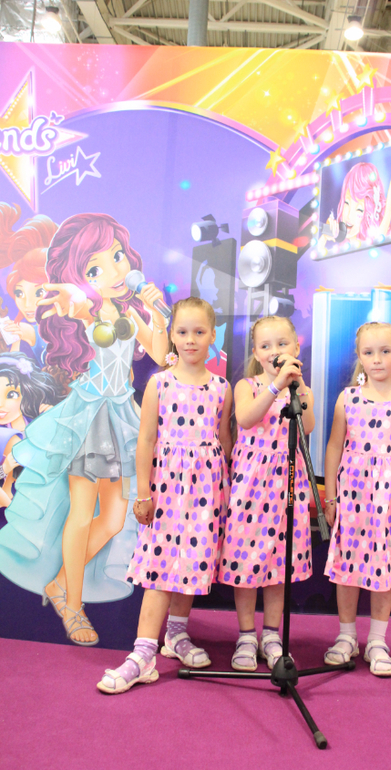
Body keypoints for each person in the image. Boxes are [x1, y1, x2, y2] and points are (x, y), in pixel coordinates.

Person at [0, 213, 168, 646]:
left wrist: (157, 312)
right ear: (80, 275)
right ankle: (72, 605)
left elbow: (160, 352)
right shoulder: (80, 306)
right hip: (89, 418)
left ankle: (59, 583)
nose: (112, 271)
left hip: (121, 417)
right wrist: (75, 295)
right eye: (95, 267)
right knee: (81, 512)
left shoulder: (128, 309)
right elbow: (71, 302)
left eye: (117, 257)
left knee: (112, 519)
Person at [97, 297, 232, 694]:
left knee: (193, 561)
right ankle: (143, 654)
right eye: (183, 332)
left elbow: (224, 440)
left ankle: (176, 633)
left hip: (207, 490)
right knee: (159, 567)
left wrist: (230, 490)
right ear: (172, 335)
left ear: (211, 335)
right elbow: (146, 441)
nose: (190, 339)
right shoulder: (160, 382)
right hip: (168, 489)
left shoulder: (222, 387)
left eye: (199, 332)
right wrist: (143, 493)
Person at [323, 321, 391, 677]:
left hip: (389, 501)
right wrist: (331, 499)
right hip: (353, 498)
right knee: (346, 570)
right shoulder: (348, 398)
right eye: (369, 352)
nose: (377, 359)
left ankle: (377, 641)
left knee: (385, 570)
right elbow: (334, 447)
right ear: (359, 356)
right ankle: (346, 636)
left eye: (385, 351)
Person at [218, 315, 314, 672]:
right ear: (256, 353)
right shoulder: (248, 385)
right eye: (266, 345)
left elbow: (307, 426)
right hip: (252, 484)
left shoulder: (300, 389)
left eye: (282, 344)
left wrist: (297, 386)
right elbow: (246, 418)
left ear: (296, 347)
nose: (275, 351)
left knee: (279, 564)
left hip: (287, 482)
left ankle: (272, 635)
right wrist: (275, 385)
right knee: (245, 560)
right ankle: (246, 635)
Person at [0, 352, 62, 507]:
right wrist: (4, 469)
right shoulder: (5, 436)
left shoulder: (37, 422)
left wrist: (54, 422)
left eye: (11, 394)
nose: (1, 404)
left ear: (26, 394)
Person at [0, 202, 57, 365]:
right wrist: (16, 337)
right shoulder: (26, 329)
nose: (27, 304)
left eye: (39, 292)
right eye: (19, 293)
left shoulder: (80, 320)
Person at [320, 145, 391, 248]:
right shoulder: (341, 244)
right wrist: (324, 237)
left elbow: (389, 208)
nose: (349, 216)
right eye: (347, 203)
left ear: (369, 213)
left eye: (359, 209)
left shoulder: (375, 238)